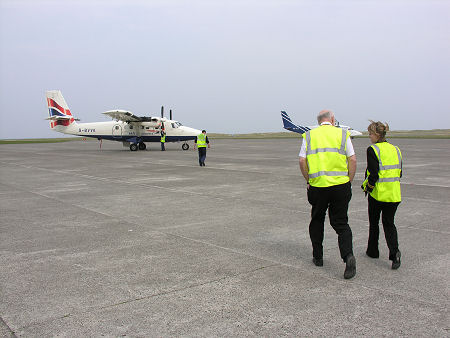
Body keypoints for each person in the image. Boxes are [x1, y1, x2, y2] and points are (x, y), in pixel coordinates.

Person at [299, 110, 357, 279]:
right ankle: (348, 256)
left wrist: (308, 179)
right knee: (341, 223)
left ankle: (318, 256)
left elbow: (302, 160)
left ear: (318, 122)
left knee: (317, 219)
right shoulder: (343, 134)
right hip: (340, 186)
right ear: (332, 120)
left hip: (318, 186)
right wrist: (349, 180)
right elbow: (352, 159)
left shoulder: (309, 135)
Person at [361, 121, 402, 269]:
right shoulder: (396, 149)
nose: (369, 137)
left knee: (374, 223)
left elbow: (373, 174)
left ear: (377, 135)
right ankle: (394, 252)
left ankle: (373, 250)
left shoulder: (373, 149)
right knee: (389, 223)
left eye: (370, 134)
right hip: (394, 194)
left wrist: (369, 188)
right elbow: (400, 172)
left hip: (378, 194)